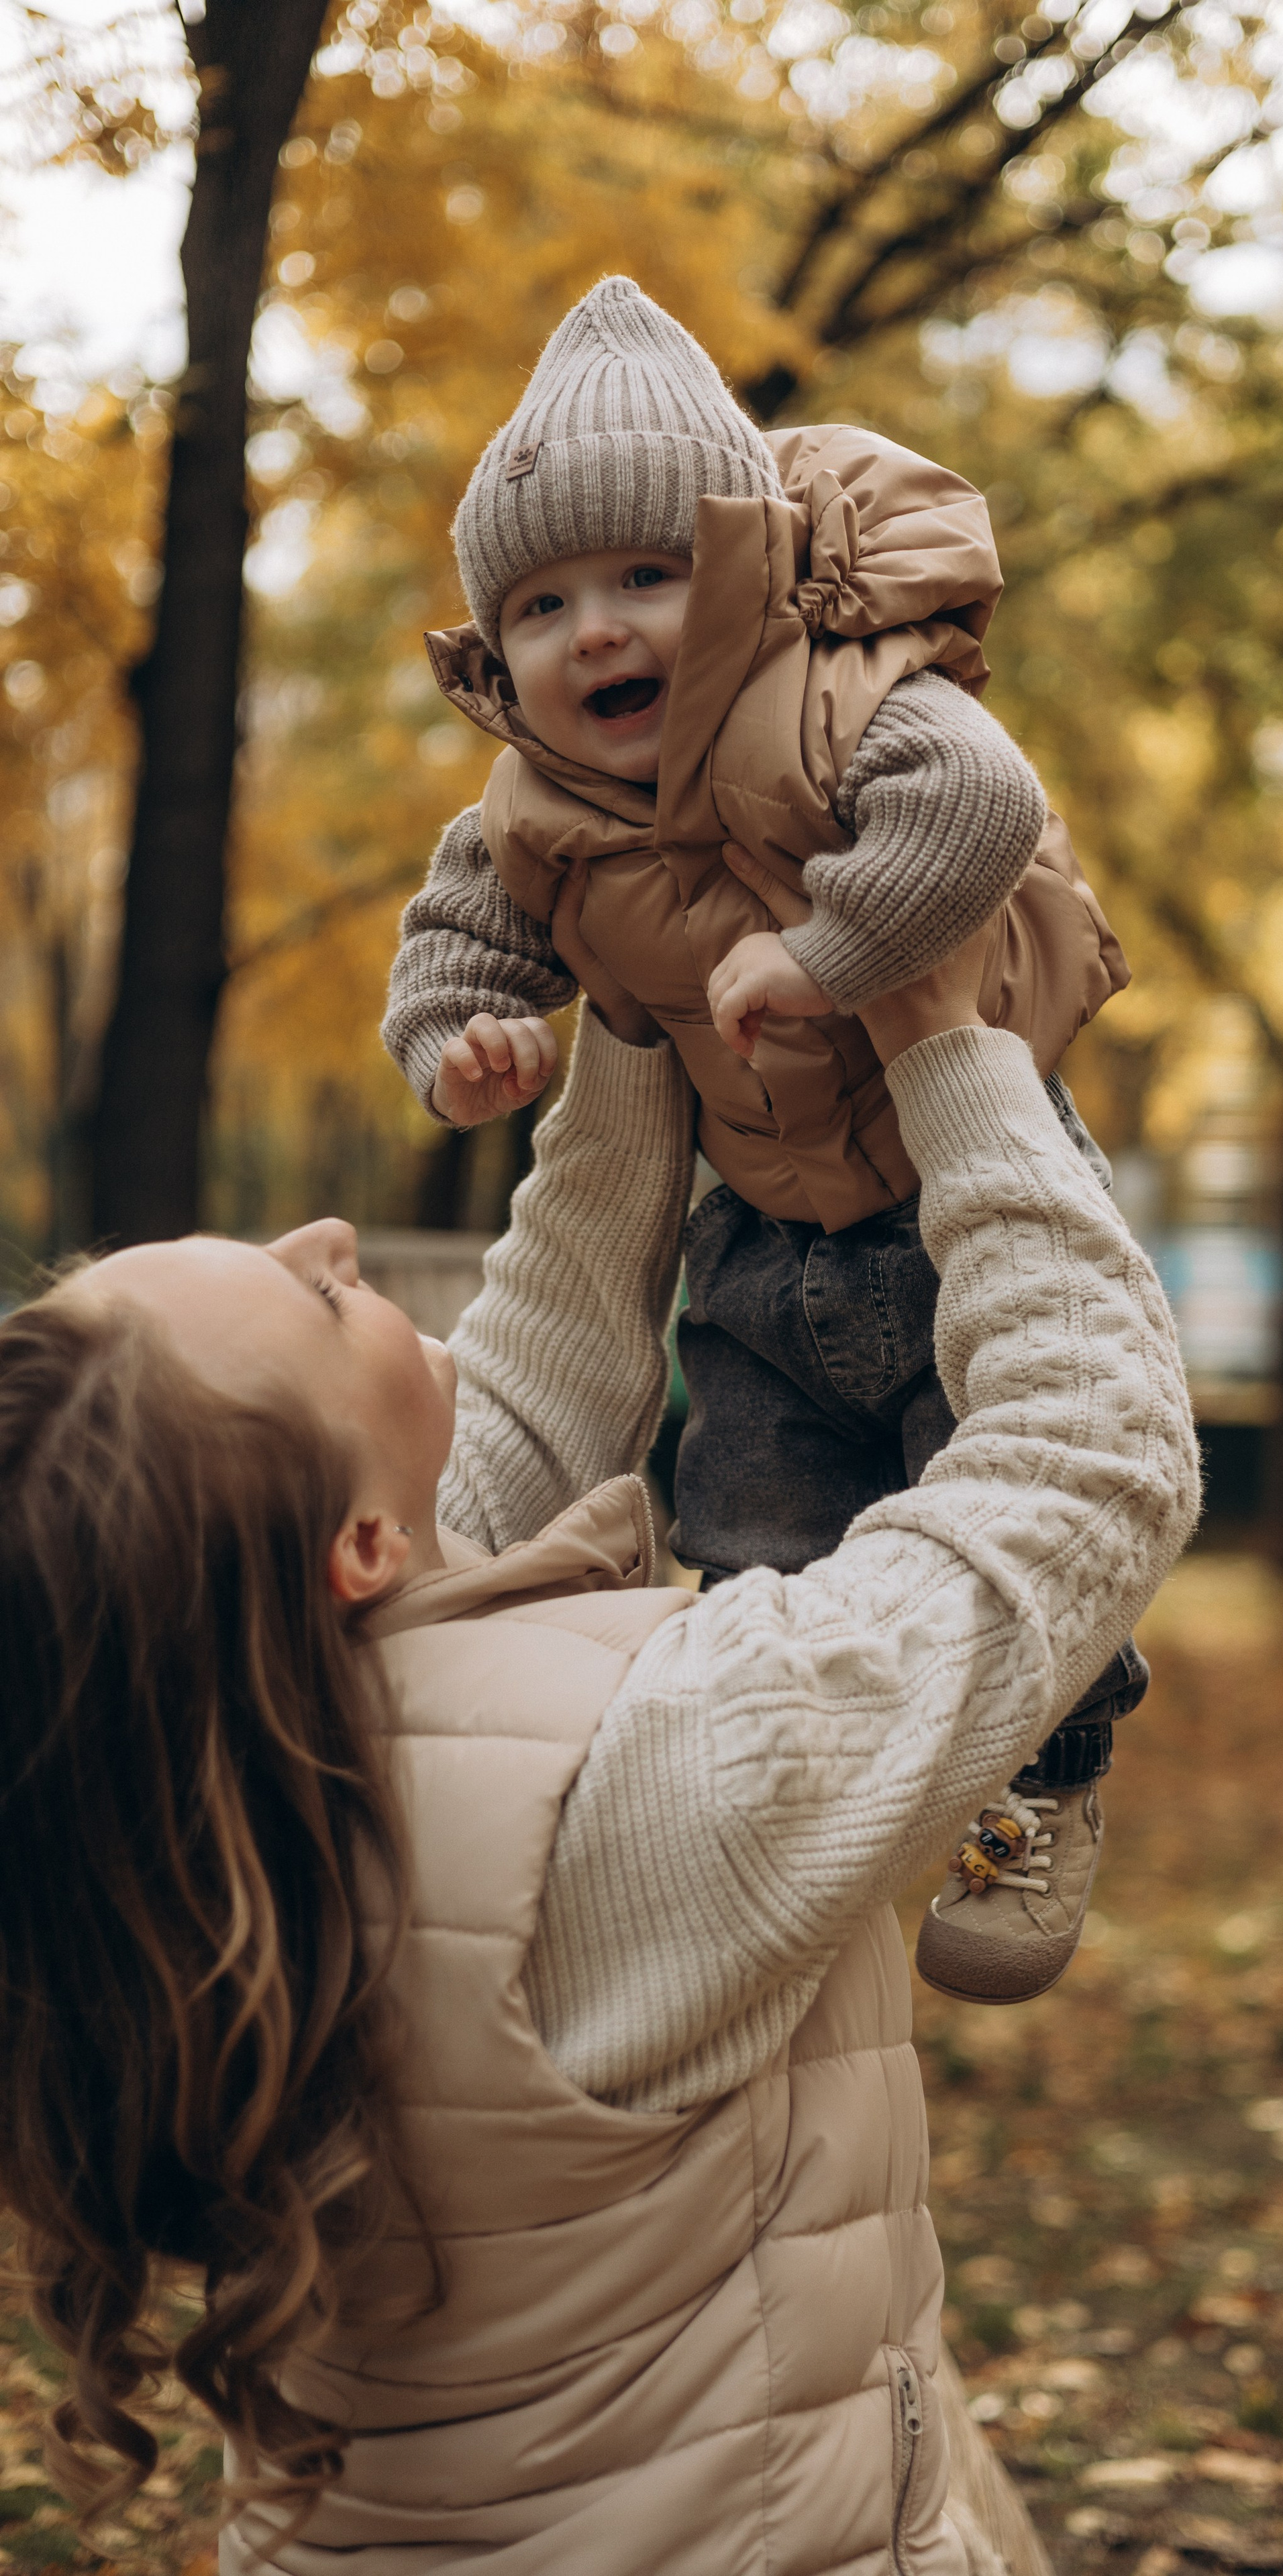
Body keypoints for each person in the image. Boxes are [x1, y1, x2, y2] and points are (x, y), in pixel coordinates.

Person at [0, 956, 1200, 2575]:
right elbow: (1087, 1459)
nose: (330, 1237)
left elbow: (539, 1365)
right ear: (355, 1541)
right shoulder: (645, 1778)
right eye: (317, 1296)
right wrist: (950, 1046)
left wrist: (640, 1002)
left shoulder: (228, 1771)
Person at [380, 274, 1143, 2007]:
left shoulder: (842, 698)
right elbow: (452, 942)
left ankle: (1048, 1778)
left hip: (954, 1187)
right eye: (548, 604)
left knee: (1000, 1465)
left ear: (737, 569)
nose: (600, 635)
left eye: (648, 579)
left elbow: (981, 807)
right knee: (746, 1522)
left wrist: (825, 956)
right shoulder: (532, 815)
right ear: (499, 654)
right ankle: (787, 1790)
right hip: (751, 1240)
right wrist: (464, 1044)